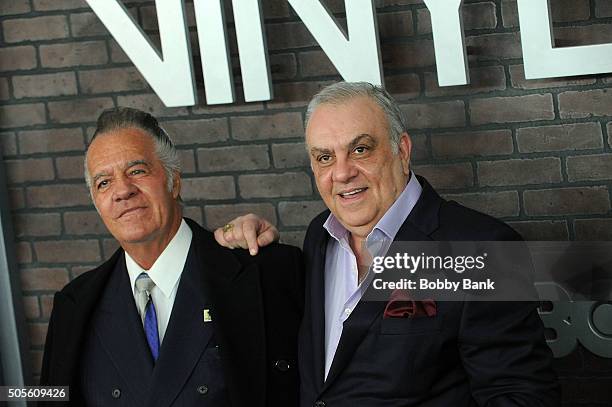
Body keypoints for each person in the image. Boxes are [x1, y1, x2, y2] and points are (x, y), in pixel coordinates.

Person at [216, 82, 560, 406]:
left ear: (402, 150)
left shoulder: (479, 250)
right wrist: (242, 239)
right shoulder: (319, 235)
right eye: (324, 158)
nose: (341, 172)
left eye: (360, 149)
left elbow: (520, 396)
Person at [40, 107, 303, 407]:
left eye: (137, 171)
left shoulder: (266, 273)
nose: (122, 191)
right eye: (104, 182)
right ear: (97, 205)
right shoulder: (72, 307)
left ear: (174, 181)